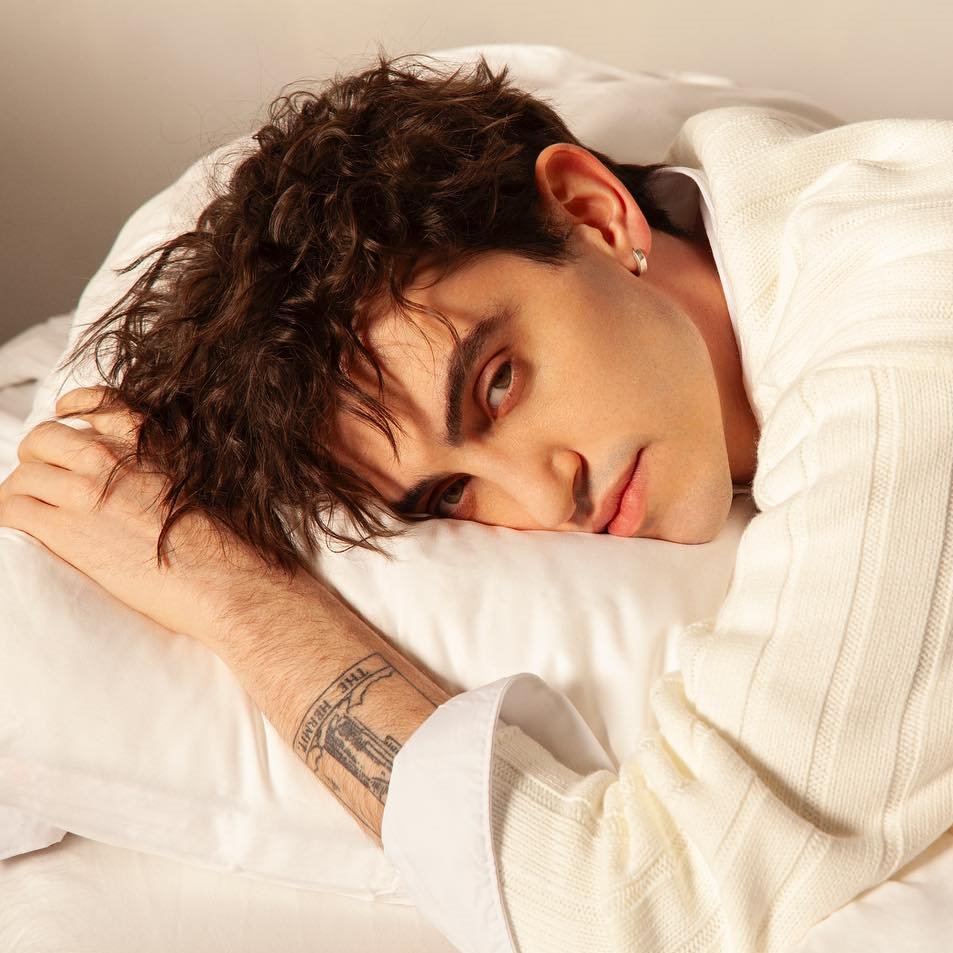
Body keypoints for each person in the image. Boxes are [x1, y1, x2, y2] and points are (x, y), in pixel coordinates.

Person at [2, 51, 953, 953]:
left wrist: (237, 599)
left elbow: (647, 908)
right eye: (451, 491)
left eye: (498, 383)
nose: (546, 497)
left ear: (593, 211)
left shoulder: (901, 352)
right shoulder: (775, 198)